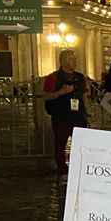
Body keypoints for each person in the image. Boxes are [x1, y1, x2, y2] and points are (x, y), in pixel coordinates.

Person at [42, 49, 89, 178]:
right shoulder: (53, 78)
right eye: (71, 59)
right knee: (60, 144)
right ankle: (62, 169)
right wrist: (60, 92)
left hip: (78, 116)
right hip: (61, 115)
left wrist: (87, 112)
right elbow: (46, 96)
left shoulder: (79, 77)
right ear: (63, 61)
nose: (75, 61)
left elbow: (84, 95)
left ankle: (78, 166)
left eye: (75, 59)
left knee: (81, 144)